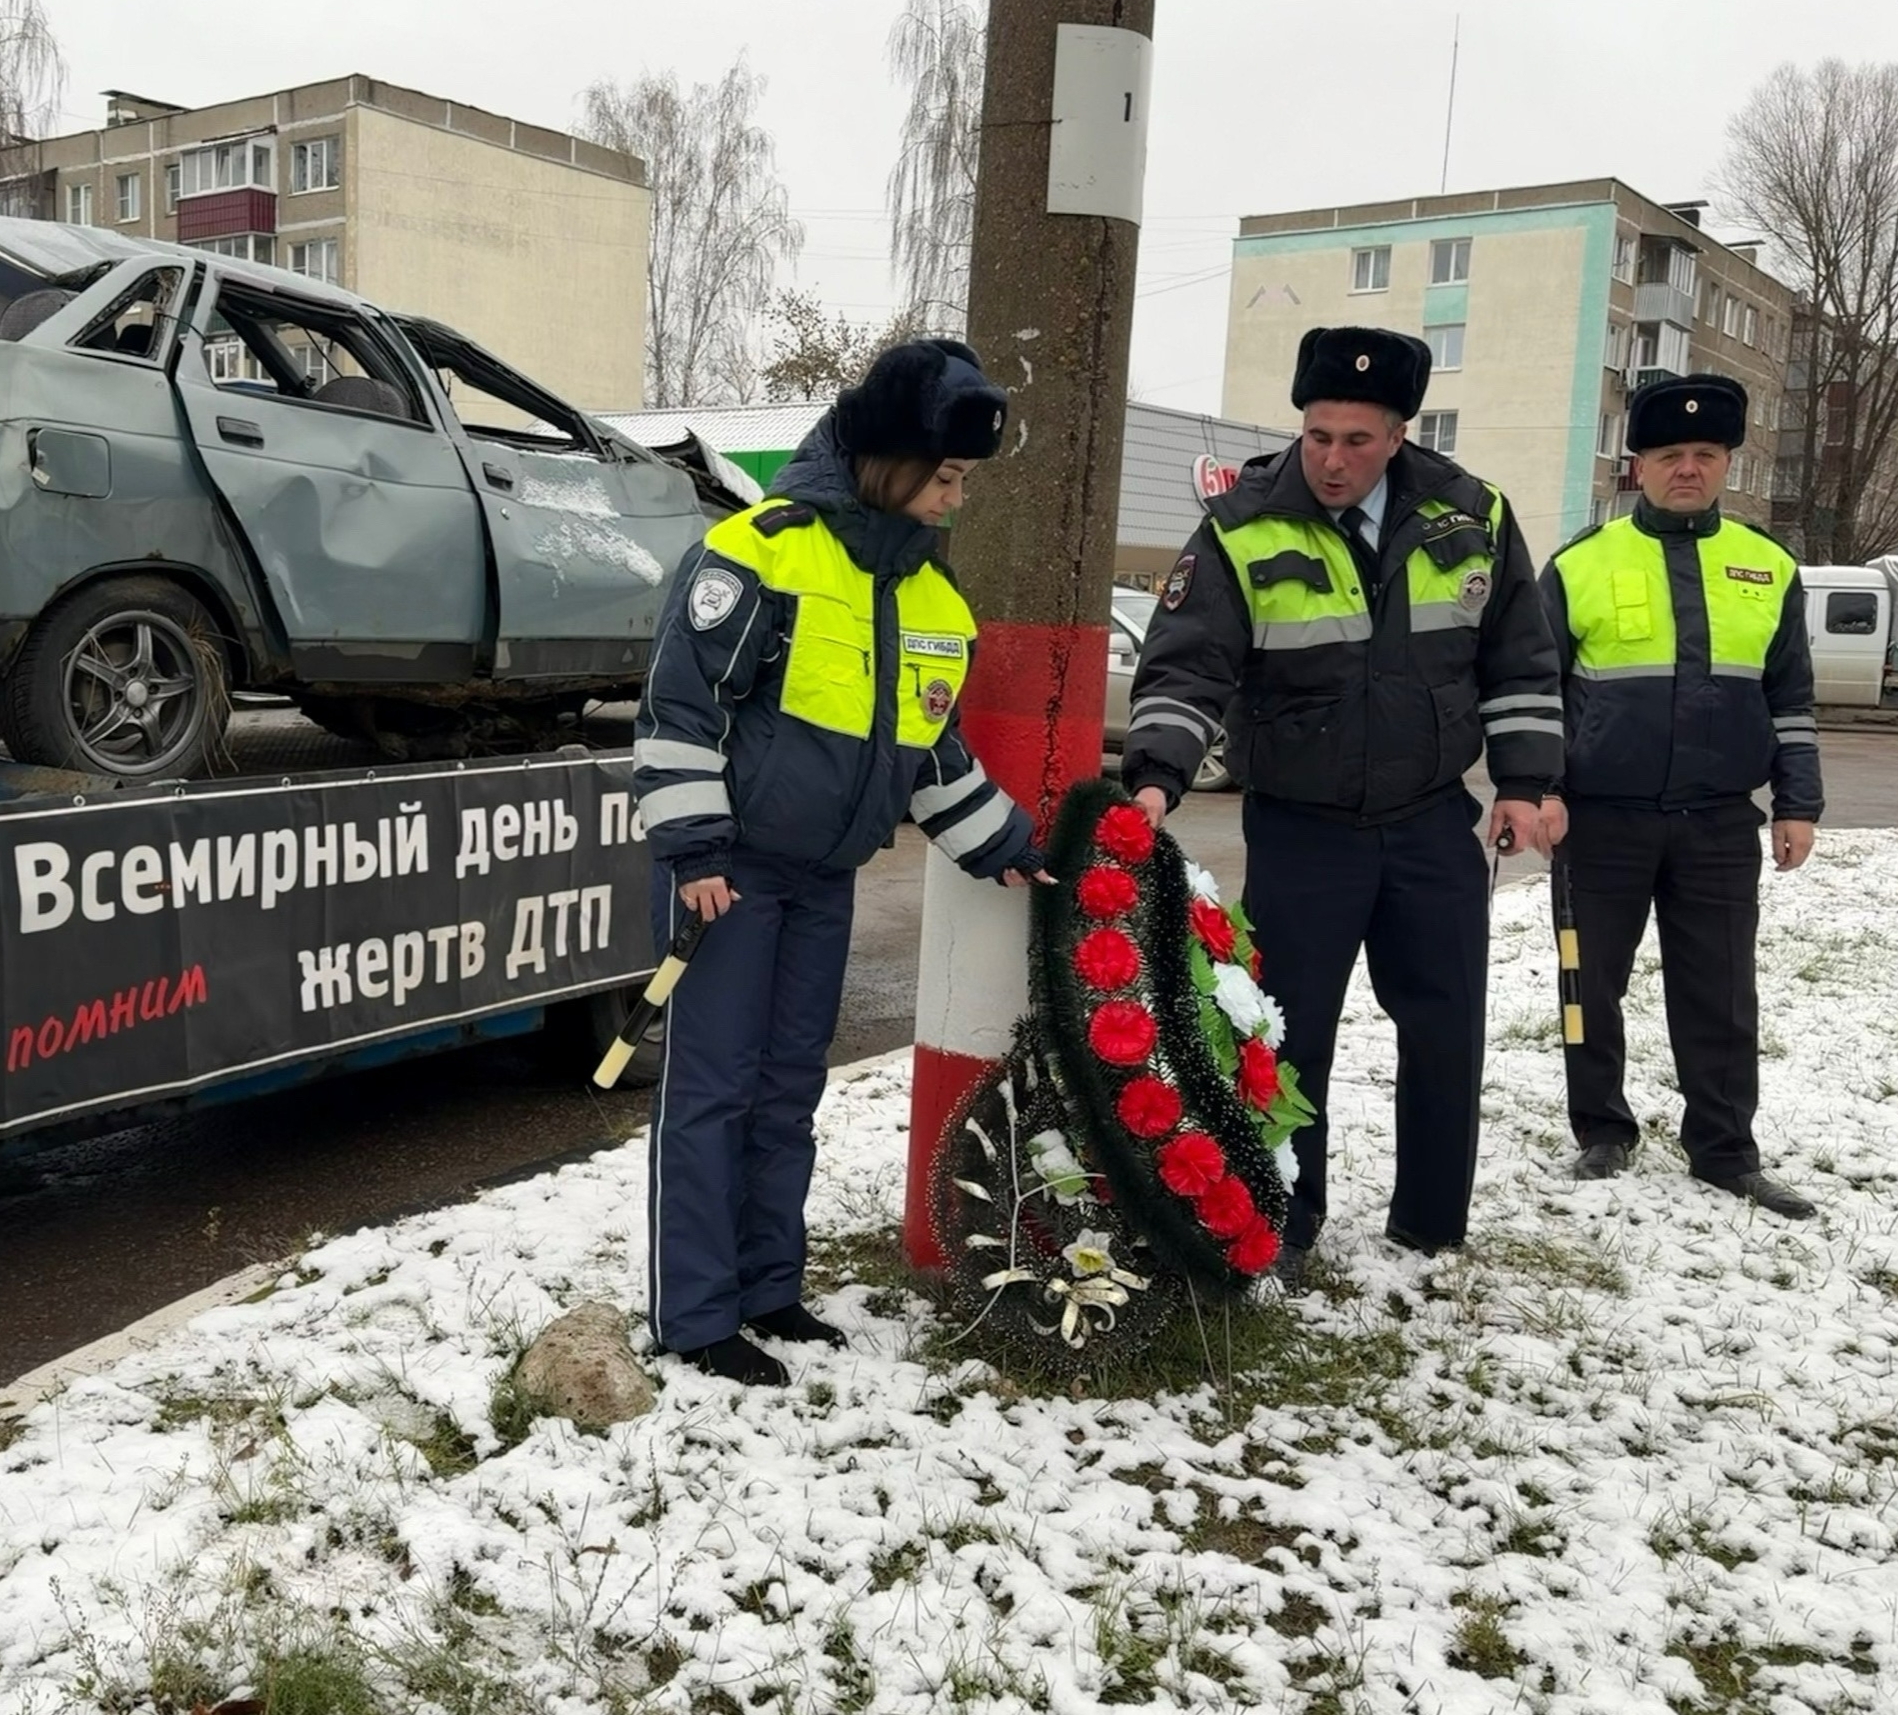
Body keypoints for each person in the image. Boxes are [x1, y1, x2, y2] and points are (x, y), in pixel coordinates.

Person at [631, 339, 1049, 1385]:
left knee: (785, 1096)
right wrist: (693, 851)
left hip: (823, 882)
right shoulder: (760, 550)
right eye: (945, 476)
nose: (954, 499)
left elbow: (931, 756)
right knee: (711, 1095)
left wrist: (1010, 848)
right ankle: (695, 1313)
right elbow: (678, 710)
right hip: (726, 877)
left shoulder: (934, 604)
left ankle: (770, 1287)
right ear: (887, 461)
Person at [1122, 326, 1565, 1279]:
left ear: (1399, 434)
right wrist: (1156, 775)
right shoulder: (1242, 523)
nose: (1330, 459)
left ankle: (1431, 1223)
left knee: (1446, 1028)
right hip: (1300, 830)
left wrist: (1526, 785)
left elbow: (1519, 659)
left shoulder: (1471, 516)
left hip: (1430, 821)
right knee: (1284, 1039)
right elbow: (1186, 663)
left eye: (1356, 440)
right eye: (1317, 434)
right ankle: (1283, 1220)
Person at [1538, 373, 1821, 1218]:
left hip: (1718, 826)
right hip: (1600, 823)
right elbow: (1537, 694)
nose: (1687, 469)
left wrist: (1797, 803)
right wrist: (1541, 789)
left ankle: (1724, 1151)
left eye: (1704, 454)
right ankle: (1601, 1130)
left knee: (1721, 990)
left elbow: (1791, 698)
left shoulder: (1768, 567)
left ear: (1727, 462)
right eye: (1669, 455)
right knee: (1587, 983)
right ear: (1638, 466)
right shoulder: (1580, 564)